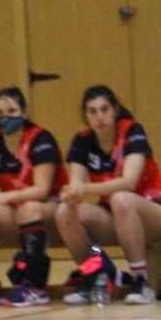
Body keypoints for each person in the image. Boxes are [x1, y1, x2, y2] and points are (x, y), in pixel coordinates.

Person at [55, 85, 161, 304]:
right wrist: (71, 193)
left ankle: (141, 282)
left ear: (115, 110)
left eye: (104, 109)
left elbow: (129, 182)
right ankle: (93, 275)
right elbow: (76, 183)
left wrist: (85, 189)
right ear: (86, 116)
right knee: (65, 212)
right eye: (92, 111)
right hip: (119, 215)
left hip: (151, 210)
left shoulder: (132, 131)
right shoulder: (83, 141)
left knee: (121, 198)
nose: (99, 117)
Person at [0, 87, 66, 307]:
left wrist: (4, 197)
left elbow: (42, 190)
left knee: (30, 208)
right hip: (16, 211)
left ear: (24, 112)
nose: (5, 118)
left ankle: (35, 287)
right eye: (0, 113)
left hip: (52, 210)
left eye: (11, 111)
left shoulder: (41, 139)